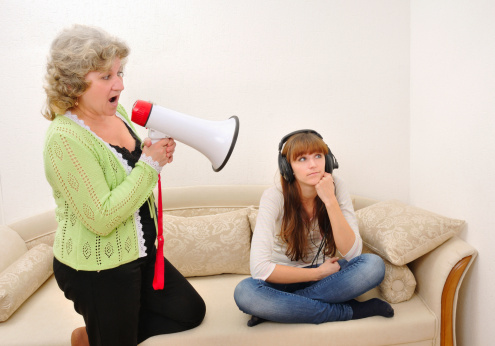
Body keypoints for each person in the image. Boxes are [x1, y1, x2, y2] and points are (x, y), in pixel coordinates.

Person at [42, 24, 205, 346]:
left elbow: (129, 172)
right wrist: (150, 165)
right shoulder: (63, 140)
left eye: (119, 72)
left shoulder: (120, 115)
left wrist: (153, 154)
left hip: (140, 250)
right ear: (74, 84)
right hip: (99, 267)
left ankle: (96, 336)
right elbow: (101, 219)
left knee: (189, 311)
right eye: (106, 77)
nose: (120, 84)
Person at [234, 130, 394, 326]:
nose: (313, 165)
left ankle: (279, 309)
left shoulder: (337, 186)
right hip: (282, 280)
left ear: (327, 161)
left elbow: (353, 253)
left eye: (318, 156)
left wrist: (330, 200)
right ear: (287, 167)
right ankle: (347, 310)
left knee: (373, 266)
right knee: (245, 292)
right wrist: (316, 273)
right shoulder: (274, 196)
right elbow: (260, 270)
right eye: (302, 159)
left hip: (326, 279)